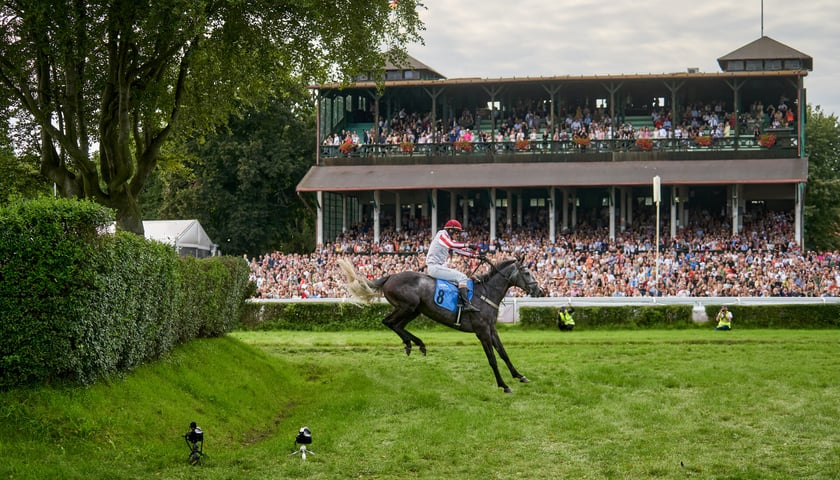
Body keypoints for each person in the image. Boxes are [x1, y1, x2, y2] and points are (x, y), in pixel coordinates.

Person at [426, 219, 480, 312]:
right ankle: (466, 305)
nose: (458, 235)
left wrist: (475, 256)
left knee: (461, 280)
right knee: (462, 277)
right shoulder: (442, 234)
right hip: (434, 267)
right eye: (457, 232)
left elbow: (459, 250)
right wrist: (469, 245)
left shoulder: (447, 238)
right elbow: (451, 244)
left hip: (439, 267)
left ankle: (458, 304)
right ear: (450, 230)